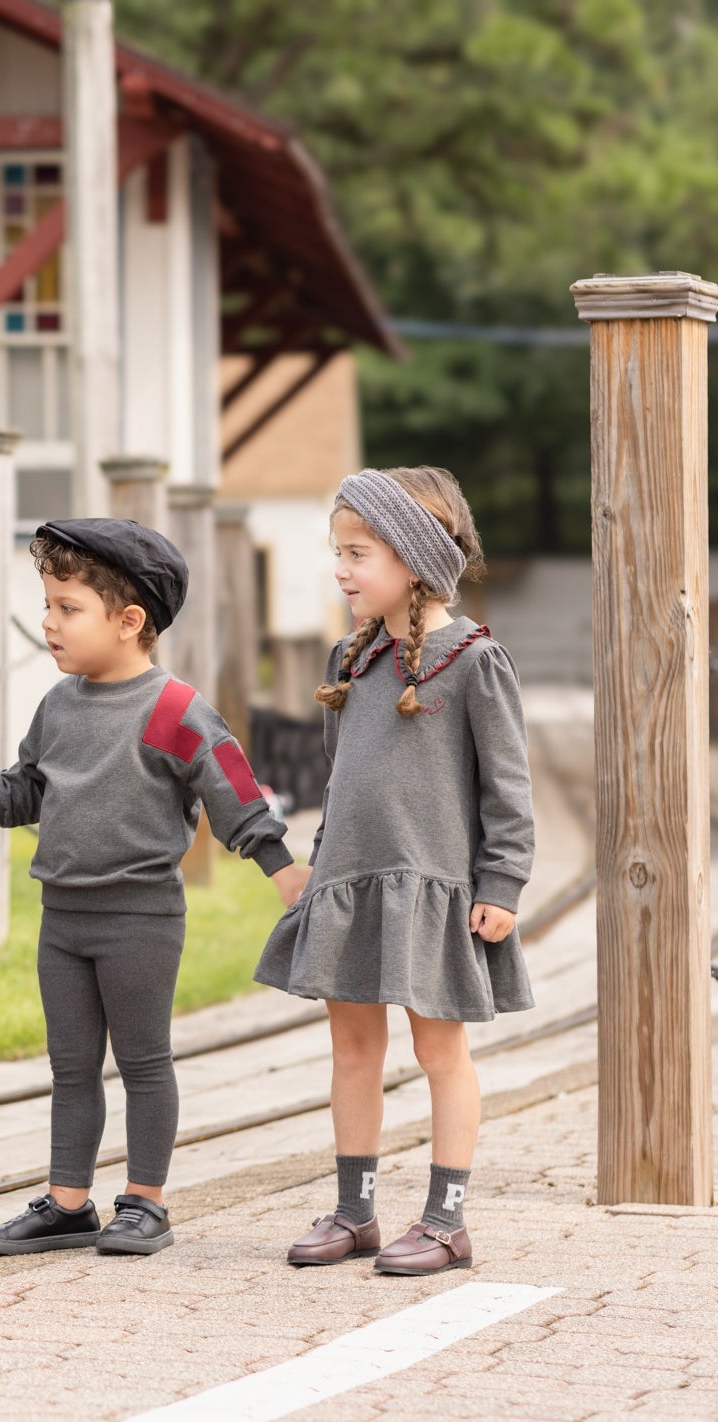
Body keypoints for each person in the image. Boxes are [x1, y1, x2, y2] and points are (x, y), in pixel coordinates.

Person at [0, 519, 298, 1256]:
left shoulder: (175, 710)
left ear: (130, 622)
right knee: (70, 1066)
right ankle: (68, 1203)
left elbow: (235, 789)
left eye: (69, 608)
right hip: (63, 920)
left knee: (143, 1060)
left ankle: (146, 1201)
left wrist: (284, 869)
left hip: (140, 919)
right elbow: (30, 783)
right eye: (48, 605)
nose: (48, 622)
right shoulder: (60, 704)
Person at [255, 467, 533, 1276]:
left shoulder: (476, 661)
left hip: (432, 889)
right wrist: (320, 866)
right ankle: (354, 1210)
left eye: (357, 553)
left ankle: (447, 1219)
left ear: (411, 559)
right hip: (353, 882)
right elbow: (342, 779)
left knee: (440, 1050)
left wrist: (502, 884)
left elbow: (507, 790)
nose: (340, 570)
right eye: (336, 553)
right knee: (351, 1047)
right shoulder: (356, 656)